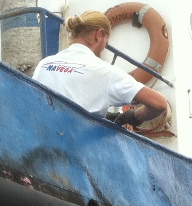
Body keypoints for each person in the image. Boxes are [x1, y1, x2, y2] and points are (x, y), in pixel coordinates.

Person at [32, 10, 168, 127]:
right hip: (73, 143)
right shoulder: (105, 72)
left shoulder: (44, 64)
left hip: (38, 135)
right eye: (106, 43)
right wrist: (130, 117)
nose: (104, 50)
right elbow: (159, 103)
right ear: (99, 35)